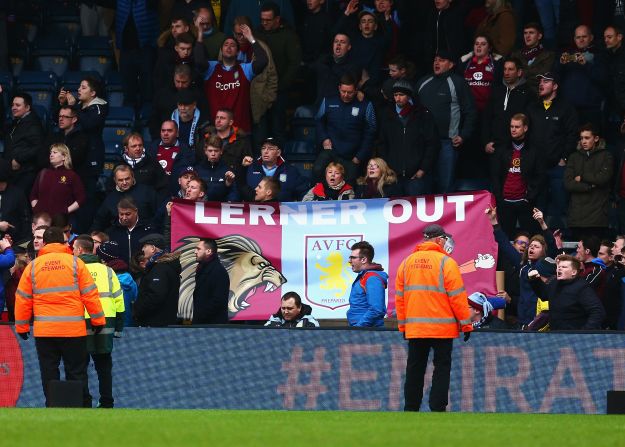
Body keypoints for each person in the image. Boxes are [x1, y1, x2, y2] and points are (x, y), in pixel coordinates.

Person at [14, 226, 105, 407]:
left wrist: (22, 327)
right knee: (77, 371)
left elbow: (23, 299)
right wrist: (97, 320)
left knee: (49, 371)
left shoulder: (33, 267)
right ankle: (80, 406)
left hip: (45, 331)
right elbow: (90, 294)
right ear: (64, 242)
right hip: (73, 330)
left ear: (44, 243)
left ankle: (52, 405)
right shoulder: (75, 263)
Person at [396, 223, 473, 412]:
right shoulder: (447, 263)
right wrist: (466, 325)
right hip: (442, 329)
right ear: (439, 240)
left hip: (415, 329)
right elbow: (457, 298)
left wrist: (403, 326)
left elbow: (399, 299)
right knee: (441, 368)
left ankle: (411, 407)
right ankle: (437, 407)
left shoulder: (406, 263)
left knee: (414, 369)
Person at [73, 235, 124, 409]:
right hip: (105, 320)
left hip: (81, 320)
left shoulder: (75, 271)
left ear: (80, 250)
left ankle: (84, 402)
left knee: (80, 365)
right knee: (103, 364)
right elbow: (119, 299)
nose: (73, 251)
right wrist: (119, 327)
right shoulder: (108, 271)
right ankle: (107, 402)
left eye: (74, 248)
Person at [417, 51, 477, 193]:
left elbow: (471, 112)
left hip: (447, 143)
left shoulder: (458, 82)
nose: (436, 63)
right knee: (423, 186)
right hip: (422, 144)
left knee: (445, 187)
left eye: (442, 60)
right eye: (435, 60)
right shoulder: (423, 82)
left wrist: (463, 135)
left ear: (451, 64)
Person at [203, 24, 268, 133]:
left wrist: (251, 39)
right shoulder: (212, 67)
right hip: (217, 131)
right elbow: (199, 60)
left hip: (240, 131)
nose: (229, 47)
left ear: (238, 52)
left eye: (232, 45)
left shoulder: (245, 68)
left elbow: (262, 61)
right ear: (221, 50)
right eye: (226, 45)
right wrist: (200, 35)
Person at [378, 79, 439, 195]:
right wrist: (387, 168)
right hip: (393, 174)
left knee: (416, 209)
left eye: (401, 95)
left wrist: (423, 169)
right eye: (395, 95)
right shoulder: (387, 114)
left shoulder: (423, 114)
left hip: (416, 175)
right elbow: (382, 143)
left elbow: (432, 144)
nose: (398, 98)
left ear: (409, 95)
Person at [314, 74, 377, 183]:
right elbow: (318, 120)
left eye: (350, 92)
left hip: (353, 155)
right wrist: (324, 138)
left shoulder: (366, 105)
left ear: (356, 90)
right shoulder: (328, 101)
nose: (346, 95)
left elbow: (371, 132)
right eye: (343, 91)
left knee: (349, 182)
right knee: (317, 170)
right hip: (331, 150)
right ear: (339, 88)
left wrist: (359, 156)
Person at [490, 114, 544, 238]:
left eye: (517, 127)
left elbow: (539, 176)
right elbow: (495, 175)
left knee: (529, 238)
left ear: (525, 128)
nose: (513, 129)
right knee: (505, 239)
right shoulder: (502, 149)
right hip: (505, 202)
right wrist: (500, 198)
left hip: (525, 202)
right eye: (511, 126)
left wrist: (529, 197)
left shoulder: (534, 150)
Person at [529, 254, 605, 330]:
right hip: (556, 334)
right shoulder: (554, 283)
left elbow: (597, 311)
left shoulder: (582, 287)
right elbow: (544, 295)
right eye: (558, 267)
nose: (559, 269)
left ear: (574, 272)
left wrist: (584, 332)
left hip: (575, 337)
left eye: (564, 267)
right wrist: (535, 281)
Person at [564, 124, 614, 241]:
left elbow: (603, 178)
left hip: (597, 218)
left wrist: (582, 177)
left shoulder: (606, 156)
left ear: (596, 139)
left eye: (587, 138)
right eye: (581, 138)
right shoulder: (573, 157)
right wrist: (590, 186)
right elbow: (568, 183)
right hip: (577, 217)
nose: (583, 141)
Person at [91, 165, 159, 231]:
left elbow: (158, 215)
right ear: (115, 180)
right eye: (120, 180)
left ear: (132, 176)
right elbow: (99, 222)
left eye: (127, 179)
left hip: (145, 234)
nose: (124, 182)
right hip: (120, 235)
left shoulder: (147, 191)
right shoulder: (110, 198)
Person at [134, 233, 181, 327]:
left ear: (153, 248)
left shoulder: (160, 269)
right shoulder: (163, 267)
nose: (142, 249)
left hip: (155, 324)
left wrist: (138, 312)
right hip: (160, 322)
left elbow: (156, 296)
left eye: (145, 246)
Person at [3, 92, 45, 197]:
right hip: (14, 171)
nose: (13, 108)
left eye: (18, 105)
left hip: (25, 172)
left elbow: (38, 147)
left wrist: (18, 159)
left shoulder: (33, 124)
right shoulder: (17, 121)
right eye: (13, 105)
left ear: (27, 108)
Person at [30, 144, 86, 221]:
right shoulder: (43, 173)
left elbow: (81, 198)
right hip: (41, 220)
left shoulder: (71, 175)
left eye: (55, 152)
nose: (51, 155)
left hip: (60, 221)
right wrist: (36, 209)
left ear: (64, 157)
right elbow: (33, 195)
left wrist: (65, 211)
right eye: (50, 153)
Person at [241, 138, 308, 201]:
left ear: (278, 153)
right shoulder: (251, 167)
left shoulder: (290, 171)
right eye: (263, 148)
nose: (266, 151)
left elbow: (303, 193)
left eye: (270, 149)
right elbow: (240, 187)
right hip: (254, 211)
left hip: (282, 211)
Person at [346, 240, 388, 327]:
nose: (349, 261)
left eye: (353, 257)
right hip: (363, 330)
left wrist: (359, 327)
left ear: (364, 259)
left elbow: (376, 309)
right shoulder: (364, 276)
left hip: (367, 332)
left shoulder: (372, 278)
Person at [97, 240, 138, 328]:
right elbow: (136, 299)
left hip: (111, 326)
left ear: (103, 260)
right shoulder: (129, 278)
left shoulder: (105, 279)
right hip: (129, 325)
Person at [510, 22, 556, 95]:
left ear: (539, 36)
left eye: (531, 33)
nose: (527, 36)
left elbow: (541, 76)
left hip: (537, 95)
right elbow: (511, 76)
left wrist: (521, 73)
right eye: (525, 33)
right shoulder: (515, 55)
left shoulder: (549, 55)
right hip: (517, 93)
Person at [106, 197, 155, 265]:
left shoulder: (147, 230)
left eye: (128, 214)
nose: (124, 218)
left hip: (142, 271)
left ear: (136, 211)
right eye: (121, 214)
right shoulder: (112, 232)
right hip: (120, 273)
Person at [192, 238, 230, 324]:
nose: (195, 252)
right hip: (204, 324)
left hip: (212, 326)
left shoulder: (218, 271)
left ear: (208, 251)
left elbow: (218, 301)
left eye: (198, 249)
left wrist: (200, 317)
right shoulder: (203, 269)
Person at [194, 135, 239, 201]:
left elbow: (234, 193)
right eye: (210, 151)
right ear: (205, 151)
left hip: (221, 208)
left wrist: (228, 185)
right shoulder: (197, 169)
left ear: (221, 151)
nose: (213, 154)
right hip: (201, 207)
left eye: (216, 151)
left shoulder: (228, 170)